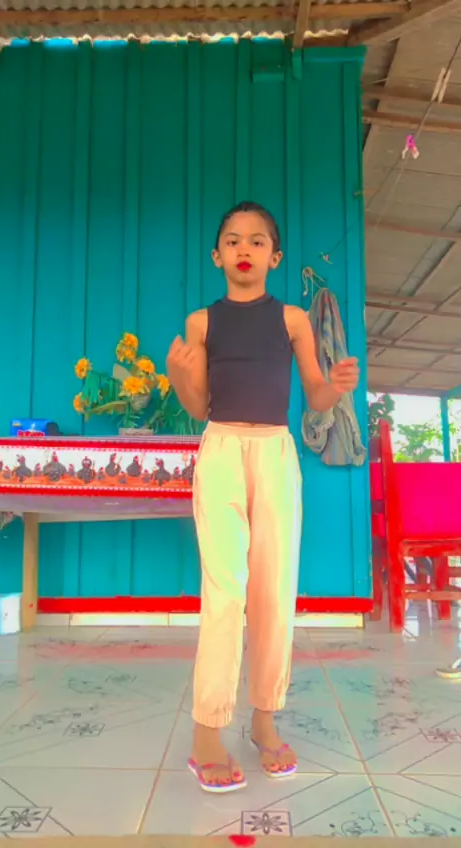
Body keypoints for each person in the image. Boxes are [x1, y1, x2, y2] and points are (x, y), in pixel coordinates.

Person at [166, 201, 359, 794]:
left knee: (273, 591)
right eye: (232, 240)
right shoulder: (201, 323)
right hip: (222, 450)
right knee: (225, 592)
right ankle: (207, 733)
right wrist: (178, 376)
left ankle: (265, 721)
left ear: (274, 257)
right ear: (216, 256)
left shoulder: (294, 320)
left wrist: (335, 387)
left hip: (275, 453)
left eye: (256, 241)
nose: (244, 249)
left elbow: (316, 396)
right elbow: (199, 406)